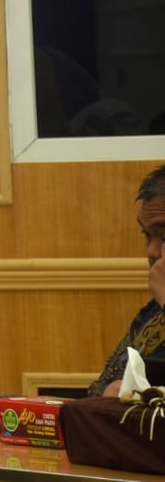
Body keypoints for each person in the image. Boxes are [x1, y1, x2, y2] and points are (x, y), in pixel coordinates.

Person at [89, 163, 165, 397]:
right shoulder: (152, 313)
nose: (151, 251)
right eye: (147, 235)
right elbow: (102, 388)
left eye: (163, 236)